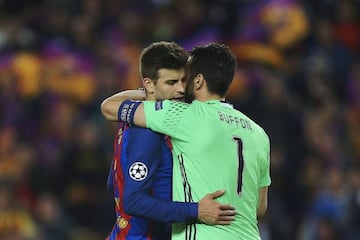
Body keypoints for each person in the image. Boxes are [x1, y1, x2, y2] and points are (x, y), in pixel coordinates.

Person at [101, 43, 271, 240]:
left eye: (185, 79)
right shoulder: (259, 134)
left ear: (197, 81)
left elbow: (109, 107)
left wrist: (151, 92)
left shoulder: (182, 116)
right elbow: (259, 207)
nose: (181, 88)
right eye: (173, 82)